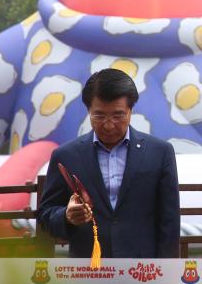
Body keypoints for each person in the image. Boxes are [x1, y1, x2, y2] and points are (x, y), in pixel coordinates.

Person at [37, 68, 180, 258]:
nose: (109, 124)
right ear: (88, 111)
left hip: (143, 271)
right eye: (99, 116)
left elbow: (169, 221)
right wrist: (66, 216)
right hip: (87, 269)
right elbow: (46, 216)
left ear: (131, 110)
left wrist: (167, 272)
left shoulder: (160, 152)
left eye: (118, 115)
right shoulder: (66, 156)